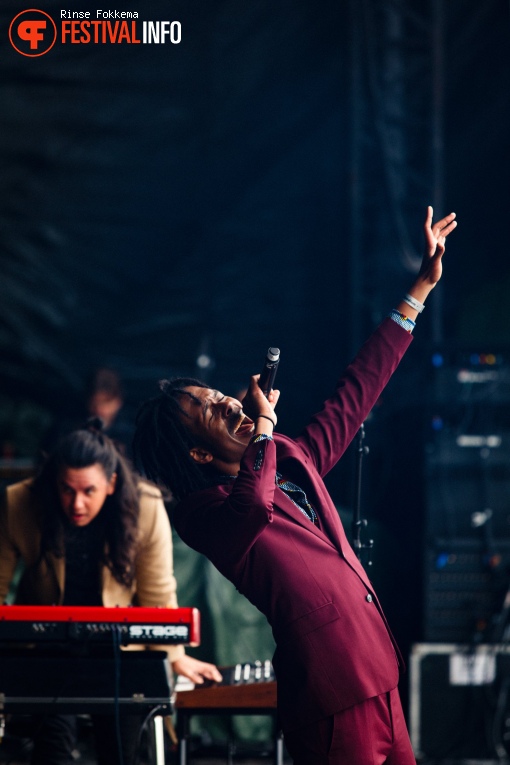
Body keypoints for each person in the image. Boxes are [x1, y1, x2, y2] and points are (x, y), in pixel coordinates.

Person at [133, 206, 457, 764]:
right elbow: (253, 507)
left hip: (377, 671)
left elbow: (355, 394)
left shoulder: (286, 458)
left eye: (221, 396)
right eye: (213, 411)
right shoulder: (203, 513)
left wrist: (418, 293)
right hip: (331, 689)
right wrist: (263, 427)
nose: (230, 403)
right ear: (198, 452)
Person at [0, 420, 221, 765]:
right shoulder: (19, 503)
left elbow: (157, 592)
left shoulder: (145, 506)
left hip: (119, 651)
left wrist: (174, 656)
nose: (76, 504)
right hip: (46, 650)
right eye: (66, 489)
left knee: (124, 750)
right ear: (52, 482)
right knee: (51, 750)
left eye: (88, 491)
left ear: (112, 483)